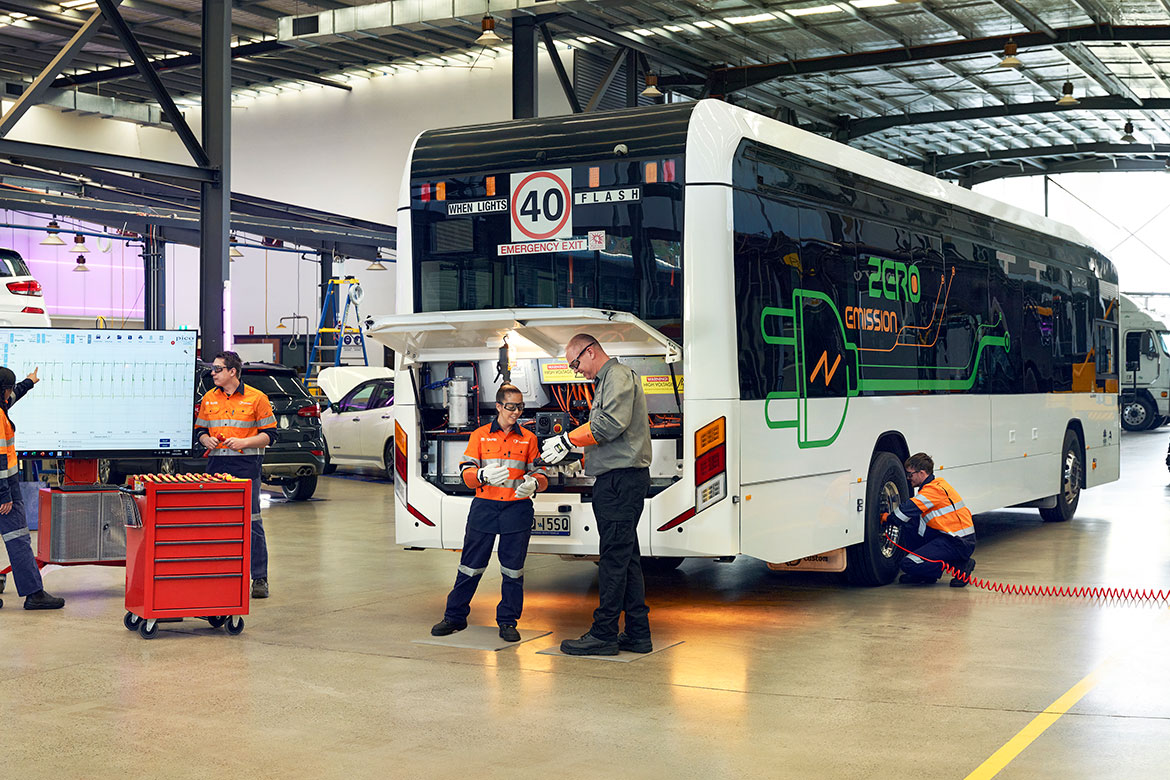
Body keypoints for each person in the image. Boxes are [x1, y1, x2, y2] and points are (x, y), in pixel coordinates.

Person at [542, 334, 653, 656]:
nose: (577, 372)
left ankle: (604, 634)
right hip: (617, 478)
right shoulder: (608, 380)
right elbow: (605, 434)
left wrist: (567, 440)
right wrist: (578, 457)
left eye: (576, 363)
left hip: (621, 481)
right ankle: (637, 633)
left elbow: (608, 425)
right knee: (627, 559)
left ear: (590, 351)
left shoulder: (617, 376)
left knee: (613, 561)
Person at [431, 383, 547, 642]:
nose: (516, 412)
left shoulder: (528, 438)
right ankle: (454, 617)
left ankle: (507, 621)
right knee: (470, 566)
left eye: (520, 407)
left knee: (513, 570)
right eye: (510, 407)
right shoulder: (480, 435)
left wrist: (535, 483)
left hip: (517, 510)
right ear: (498, 406)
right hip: (485, 508)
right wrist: (481, 475)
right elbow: (466, 473)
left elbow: (540, 473)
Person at [194, 351, 277, 599]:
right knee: (216, 524)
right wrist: (205, 438)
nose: (213, 373)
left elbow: (270, 436)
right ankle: (219, 575)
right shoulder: (209, 398)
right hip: (216, 469)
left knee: (252, 523)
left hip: (246, 468)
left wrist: (243, 441)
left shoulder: (257, 398)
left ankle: (259, 578)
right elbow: (200, 429)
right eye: (213, 369)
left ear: (233, 372)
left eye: (218, 369)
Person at [0, 366, 65, 610]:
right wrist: (4, 495)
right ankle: (34, 593)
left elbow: (13, 396)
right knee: (18, 539)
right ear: (2, 391)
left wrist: (29, 381)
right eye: (8, 389)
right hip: (5, 487)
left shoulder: (2, 404)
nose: (10, 394)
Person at [887, 452, 977, 587]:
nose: (908, 478)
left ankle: (960, 564)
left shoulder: (932, 491)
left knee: (908, 564)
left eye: (910, 474)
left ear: (922, 473)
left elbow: (905, 510)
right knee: (910, 525)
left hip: (957, 542)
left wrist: (888, 518)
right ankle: (926, 574)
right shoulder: (938, 484)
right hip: (954, 537)